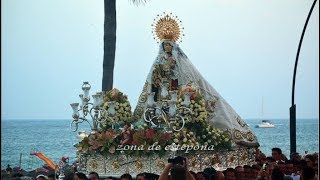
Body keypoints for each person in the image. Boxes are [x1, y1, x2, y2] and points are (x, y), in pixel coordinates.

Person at [133, 15, 259, 147]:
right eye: (164, 45)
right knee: (159, 113)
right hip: (163, 92)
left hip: (177, 91)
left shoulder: (180, 61)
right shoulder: (158, 61)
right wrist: (158, 78)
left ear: (173, 46)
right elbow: (154, 78)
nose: (167, 47)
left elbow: (185, 76)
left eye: (169, 45)